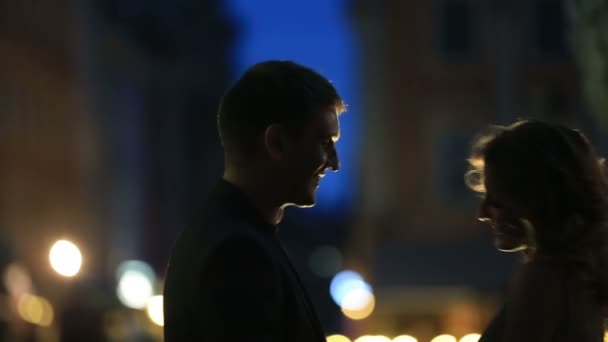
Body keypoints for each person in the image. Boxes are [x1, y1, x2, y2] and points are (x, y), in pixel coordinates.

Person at [163, 60, 345, 341]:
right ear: (276, 143)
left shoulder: (228, 236)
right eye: (324, 142)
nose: (334, 162)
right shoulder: (237, 252)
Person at [466, 119, 608, 341]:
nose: (482, 213)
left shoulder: (542, 279)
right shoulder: (580, 281)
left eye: (497, 201)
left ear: (534, 200)